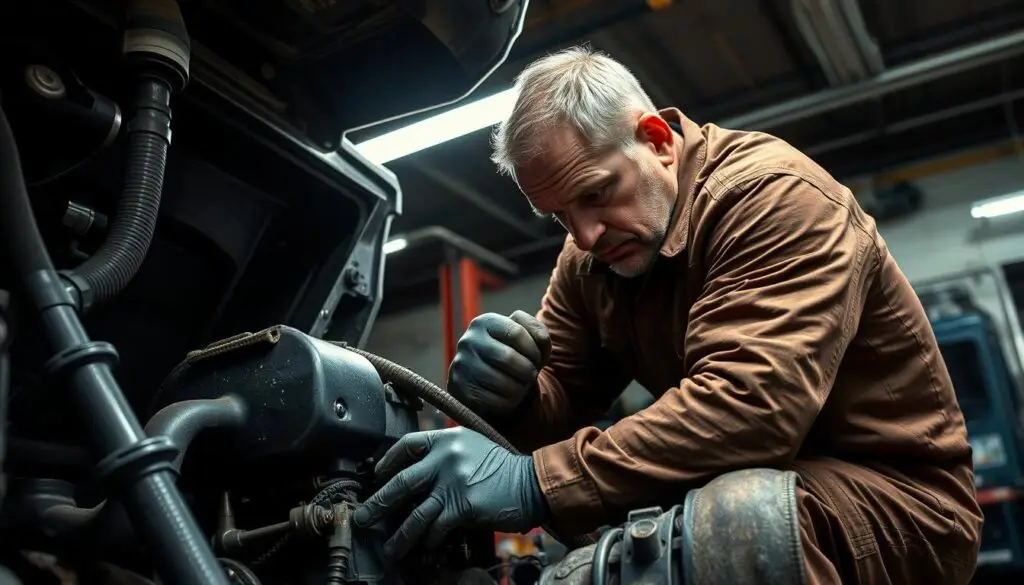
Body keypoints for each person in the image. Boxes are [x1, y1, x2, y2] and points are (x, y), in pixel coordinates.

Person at [353, 46, 983, 584]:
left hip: (897, 507)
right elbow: (561, 398)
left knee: (738, 521)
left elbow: (751, 408)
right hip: (748, 488)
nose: (586, 234)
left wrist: (532, 482)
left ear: (656, 140)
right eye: (560, 216)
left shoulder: (773, 197)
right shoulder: (592, 255)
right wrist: (512, 394)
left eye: (596, 193)